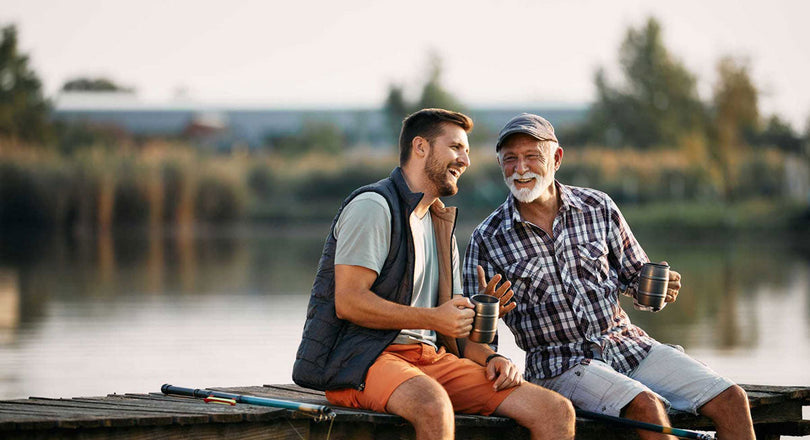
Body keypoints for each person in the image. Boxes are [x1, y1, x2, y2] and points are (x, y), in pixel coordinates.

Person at [463, 113, 756, 440]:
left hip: (629, 346)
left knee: (733, 399)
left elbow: (637, 280)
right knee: (646, 405)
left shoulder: (598, 206)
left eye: (532, 157)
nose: (521, 168)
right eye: (510, 160)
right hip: (561, 365)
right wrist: (488, 310)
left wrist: (656, 290)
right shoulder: (487, 238)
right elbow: (476, 342)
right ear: (500, 164)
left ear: (556, 158)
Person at [293, 109, 575, 440]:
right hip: (363, 360)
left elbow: (453, 331)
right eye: (456, 147)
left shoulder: (440, 224)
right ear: (421, 148)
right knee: (433, 404)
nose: (465, 161)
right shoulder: (373, 206)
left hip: (429, 360)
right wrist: (433, 318)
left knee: (554, 411)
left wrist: (492, 355)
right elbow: (349, 302)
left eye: (467, 151)